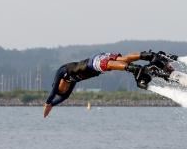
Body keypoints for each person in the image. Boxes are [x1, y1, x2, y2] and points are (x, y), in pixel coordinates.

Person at [42, 50, 175, 117]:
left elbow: (54, 93)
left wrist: (49, 103)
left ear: (59, 84)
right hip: (97, 60)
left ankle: (134, 69)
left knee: (111, 65)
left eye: (62, 88)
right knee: (123, 59)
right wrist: (53, 105)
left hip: (92, 64)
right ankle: (149, 56)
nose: (64, 88)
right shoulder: (71, 84)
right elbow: (65, 97)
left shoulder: (61, 72)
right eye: (65, 89)